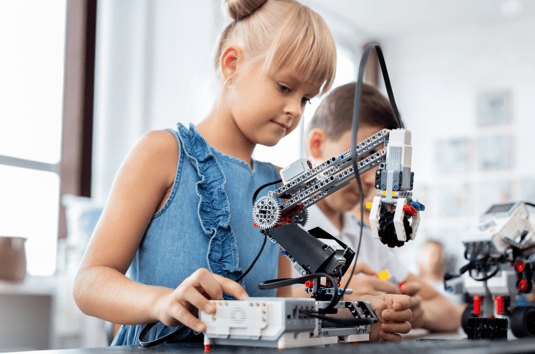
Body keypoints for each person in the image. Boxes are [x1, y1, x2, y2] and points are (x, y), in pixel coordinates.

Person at [73, 0, 412, 346]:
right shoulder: (162, 153)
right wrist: (162, 302)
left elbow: (280, 302)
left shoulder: (280, 184)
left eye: (307, 99)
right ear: (232, 63)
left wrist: (356, 313)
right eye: (284, 87)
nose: (294, 110)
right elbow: (89, 283)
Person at [296, 82, 462, 332]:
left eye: (380, 163)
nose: (369, 178)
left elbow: (449, 311)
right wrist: (334, 297)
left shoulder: (364, 238)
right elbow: (252, 302)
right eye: (363, 156)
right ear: (316, 144)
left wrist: (419, 313)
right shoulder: (283, 229)